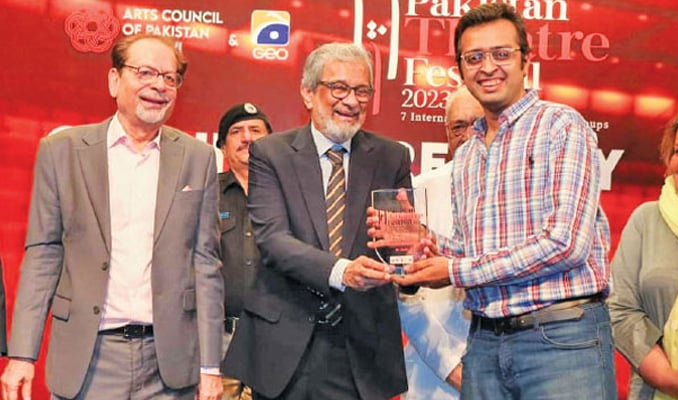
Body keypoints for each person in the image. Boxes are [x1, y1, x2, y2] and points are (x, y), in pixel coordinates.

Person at [387, 3, 616, 398]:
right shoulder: (469, 155)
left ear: (526, 60)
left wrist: (455, 269)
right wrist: (425, 243)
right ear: (459, 68)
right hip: (485, 340)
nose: (487, 67)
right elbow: (469, 251)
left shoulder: (561, 126)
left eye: (501, 54)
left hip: (561, 340)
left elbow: (566, 244)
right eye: (474, 57)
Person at [0, 33, 224, 400]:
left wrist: (210, 367)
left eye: (170, 78)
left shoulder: (197, 158)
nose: (159, 86)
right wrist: (23, 355)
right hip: (88, 360)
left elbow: (206, 264)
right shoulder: (62, 151)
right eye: (146, 72)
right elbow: (43, 254)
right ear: (114, 80)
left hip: (168, 363)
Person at [222, 42, 410, 400]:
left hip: (361, 350)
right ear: (308, 93)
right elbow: (274, 240)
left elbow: (398, 246)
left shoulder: (391, 157)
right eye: (339, 88)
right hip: (284, 348)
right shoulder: (271, 153)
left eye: (362, 91)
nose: (351, 101)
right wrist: (343, 271)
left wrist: (412, 259)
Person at [608, 110, 678, 400]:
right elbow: (619, 308)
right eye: (677, 151)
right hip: (656, 390)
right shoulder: (647, 220)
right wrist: (667, 377)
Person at [398, 86, 482, 400]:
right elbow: (402, 296)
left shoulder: (527, 192)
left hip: (516, 378)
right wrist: (451, 368)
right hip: (431, 378)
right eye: (458, 126)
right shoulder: (416, 193)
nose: (468, 134)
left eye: (479, 123)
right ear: (446, 133)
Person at [216, 102, 273, 400]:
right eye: (236, 132)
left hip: (274, 342)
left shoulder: (290, 195)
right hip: (219, 343)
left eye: (255, 130)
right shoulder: (206, 195)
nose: (247, 137)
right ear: (223, 147)